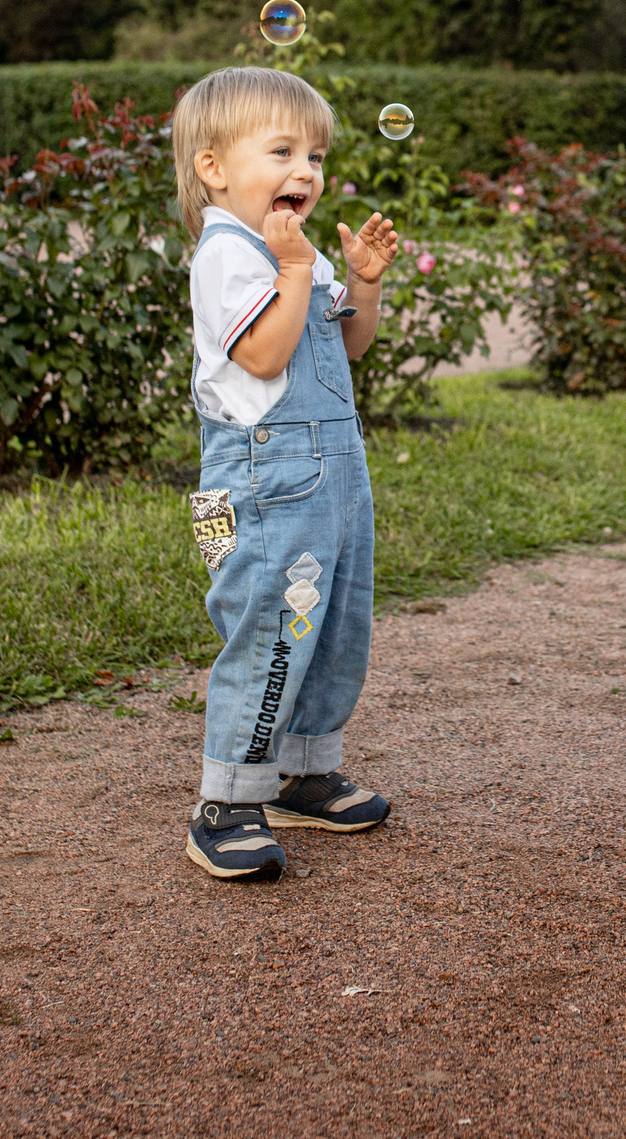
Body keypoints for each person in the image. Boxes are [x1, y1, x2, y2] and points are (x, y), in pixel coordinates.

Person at [173, 67, 402, 881]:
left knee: (336, 622)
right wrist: (298, 271)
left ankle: (301, 770)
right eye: (282, 150)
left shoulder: (289, 250)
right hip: (257, 486)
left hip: (333, 479)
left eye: (315, 154)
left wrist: (363, 284)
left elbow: (347, 344)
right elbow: (266, 352)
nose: (306, 170)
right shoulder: (230, 257)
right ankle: (227, 799)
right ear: (214, 169)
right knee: (271, 626)